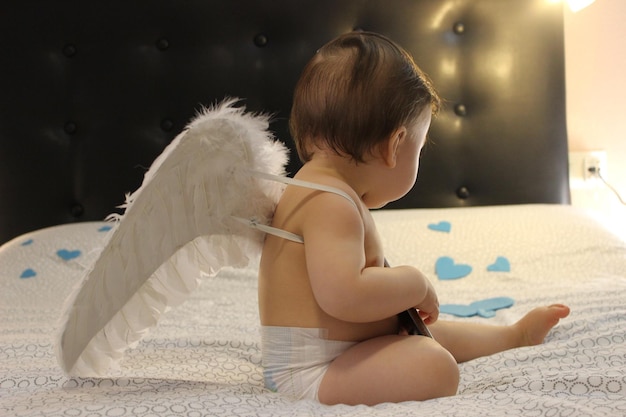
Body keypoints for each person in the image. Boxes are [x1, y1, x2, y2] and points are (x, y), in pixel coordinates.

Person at [257, 31, 570, 406]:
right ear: (394, 146)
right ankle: (501, 338)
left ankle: (512, 337)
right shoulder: (329, 202)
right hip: (310, 374)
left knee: (421, 331)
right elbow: (344, 296)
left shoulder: (317, 188)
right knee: (433, 364)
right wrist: (415, 283)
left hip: (342, 351)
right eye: (418, 149)